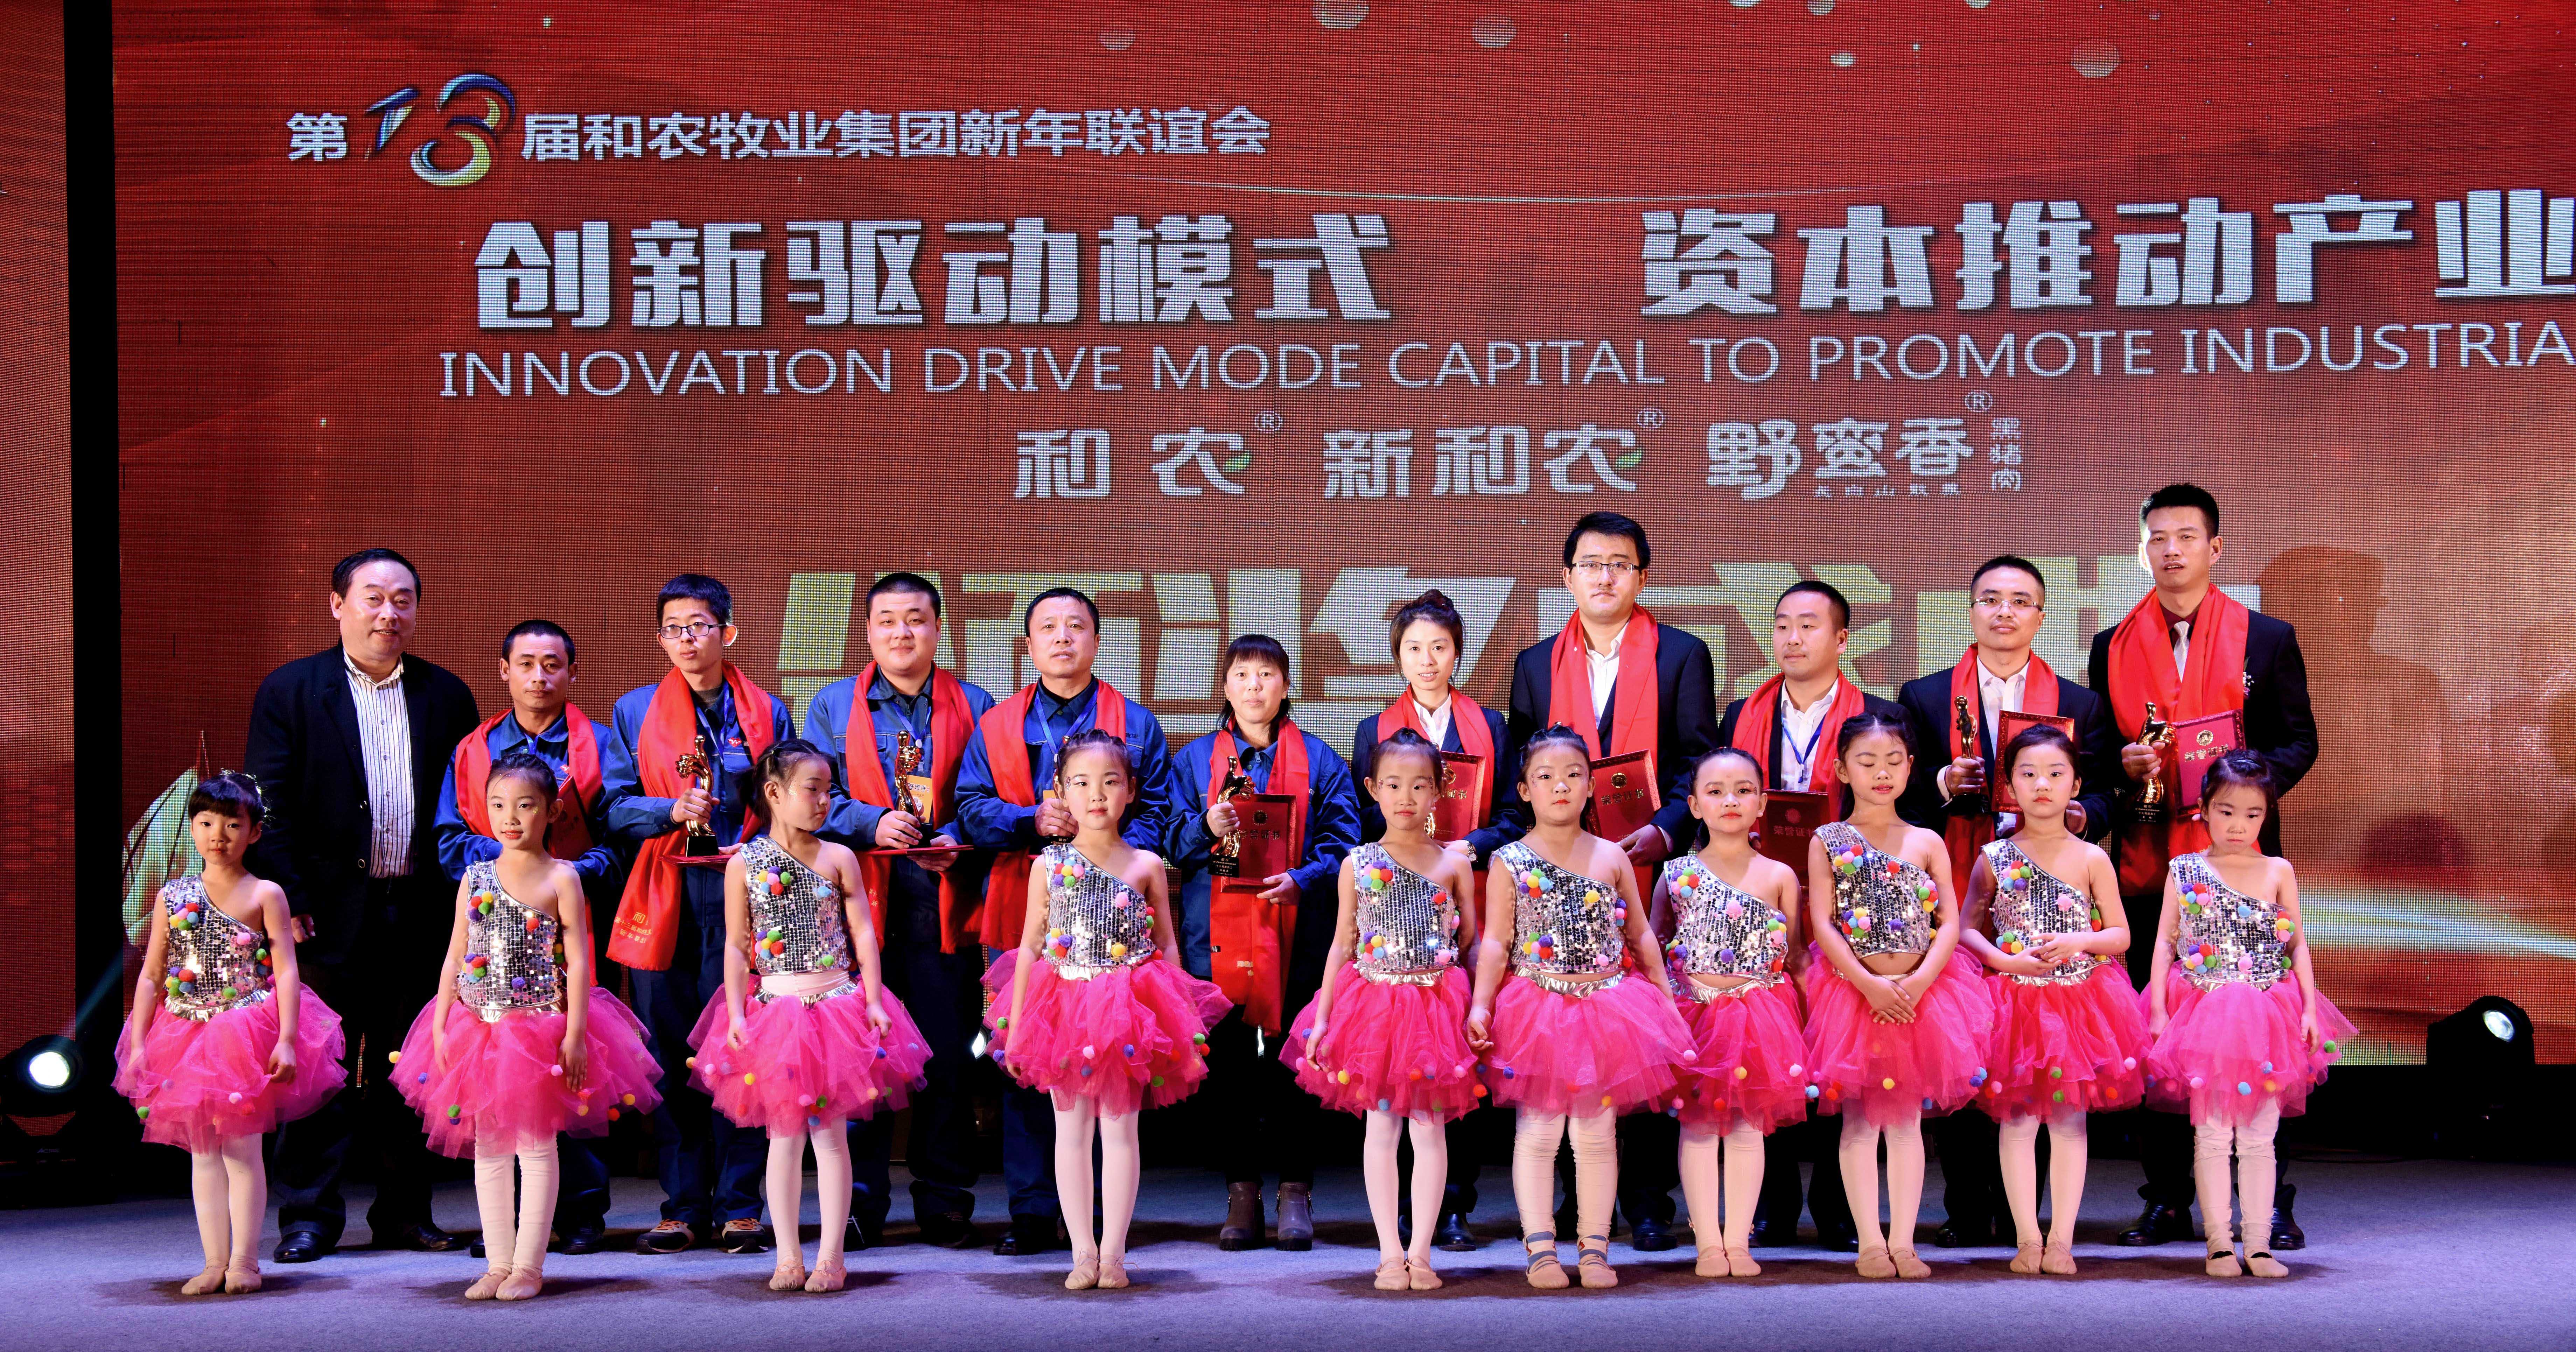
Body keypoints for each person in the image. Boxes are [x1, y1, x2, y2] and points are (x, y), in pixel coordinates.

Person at [2089, 484, 2318, 1249]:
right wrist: (2126, 770)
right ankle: (2166, 1196)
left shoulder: (2266, 638)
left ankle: (2270, 1201)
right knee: (2162, 1033)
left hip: (2241, 868)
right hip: (2151, 864)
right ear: (2143, 550)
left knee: (2258, 1032)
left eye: (2186, 536)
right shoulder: (2111, 644)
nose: (2171, 550)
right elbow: (2099, 758)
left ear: (2214, 548)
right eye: (2157, 538)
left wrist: (2241, 790)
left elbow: (2300, 741)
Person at [247, 548, 482, 1262]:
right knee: (319, 1064)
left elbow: (466, 806)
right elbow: (268, 806)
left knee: (409, 1066)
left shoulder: (447, 695)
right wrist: (292, 897)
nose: (389, 613)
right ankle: (308, 1219)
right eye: (373, 597)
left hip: (419, 909)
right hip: (322, 913)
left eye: (403, 600)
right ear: (337, 605)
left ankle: (405, 1213)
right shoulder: (291, 690)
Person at [1503, 512, 1719, 1254]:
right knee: (1566, 1037)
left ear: (1641, 577)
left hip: (1648, 864)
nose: (1604, 576)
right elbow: (1525, 773)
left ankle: (1648, 1199)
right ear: (1566, 577)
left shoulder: (1682, 655)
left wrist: (1664, 829)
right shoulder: (1535, 664)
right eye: (1590, 564)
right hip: (1558, 880)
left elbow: (1696, 760)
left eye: (1619, 564)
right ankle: (1571, 1200)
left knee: (1644, 1032)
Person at [1894, 556, 2120, 1249]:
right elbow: (1896, 793)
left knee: (2041, 1061)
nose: (2004, 612)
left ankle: (2034, 1216)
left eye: (2020, 601)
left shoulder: (2079, 703)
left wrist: (2079, 814)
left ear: (2041, 617)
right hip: (1957, 882)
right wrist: (1940, 781)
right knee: (1967, 1044)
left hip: (2045, 894)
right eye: (1990, 600)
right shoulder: (1925, 696)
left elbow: (2105, 792)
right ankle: (1967, 1206)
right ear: (1970, 612)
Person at [954, 586, 1179, 1257]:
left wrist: (1104, 847)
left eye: (1075, 627)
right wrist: (1030, 821)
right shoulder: (998, 723)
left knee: (1115, 1069)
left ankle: (1106, 1223)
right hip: (1029, 905)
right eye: (1048, 628)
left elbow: (1161, 808)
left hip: (1118, 924)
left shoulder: (1136, 723)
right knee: (1032, 1062)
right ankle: (1032, 1211)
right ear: (1029, 645)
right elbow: (969, 806)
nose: (1062, 638)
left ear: (1097, 641)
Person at [395, 752, 663, 1301]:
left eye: (525, 805)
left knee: (536, 1146)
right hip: (478, 1026)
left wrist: (575, 1033)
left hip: (539, 1027)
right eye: (497, 805)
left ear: (552, 811)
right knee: (490, 1146)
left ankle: (529, 1266)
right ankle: (498, 1263)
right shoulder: (475, 876)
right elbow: (455, 955)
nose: (510, 817)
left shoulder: (563, 878)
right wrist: (441, 1024)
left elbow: (579, 963)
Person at [985, 730, 1231, 1291]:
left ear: (1131, 790)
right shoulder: (1048, 865)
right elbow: (1030, 948)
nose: (1096, 795)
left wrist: (1182, 1018)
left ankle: (1114, 1253)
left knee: (1121, 1130)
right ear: (1060, 791)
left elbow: (1167, 947)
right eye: (1081, 783)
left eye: (1110, 782)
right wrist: (1018, 1023)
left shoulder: (1146, 864)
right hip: (1062, 1007)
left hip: (1127, 1012)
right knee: (1070, 1130)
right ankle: (1082, 1253)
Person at [688, 741, 931, 1293]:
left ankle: (831, 1258)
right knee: (783, 1139)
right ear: (774, 793)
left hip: (834, 1009)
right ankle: (788, 1257)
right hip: (776, 1012)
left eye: (828, 791)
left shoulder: (839, 857)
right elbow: (737, 946)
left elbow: (862, 933)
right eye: (813, 790)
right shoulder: (744, 863)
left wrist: (873, 999)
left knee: (832, 1139)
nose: (824, 802)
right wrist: (734, 1012)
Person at [802, 573, 995, 1250]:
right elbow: (811, 796)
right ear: (868, 632)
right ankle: (858, 1203)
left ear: (938, 629)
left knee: (947, 1061)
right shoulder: (832, 705)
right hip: (857, 911)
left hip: (944, 902)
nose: (901, 633)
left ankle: (945, 1200)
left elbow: (986, 796)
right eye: (887, 621)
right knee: (861, 1063)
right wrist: (871, 822)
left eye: (915, 619)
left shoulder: (975, 703)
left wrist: (954, 837)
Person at [1466, 726, 1694, 1291]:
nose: (1561, 786)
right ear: (1525, 790)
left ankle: (1595, 1248)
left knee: (1596, 1134)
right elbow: (1496, 941)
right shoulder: (1510, 860)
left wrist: (1666, 999)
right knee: (1539, 1132)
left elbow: (1640, 936)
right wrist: (1481, 1005)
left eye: (1573, 775)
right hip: (1535, 1010)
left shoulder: (1611, 856)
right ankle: (1541, 1249)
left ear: (1592, 786)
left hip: (1606, 1007)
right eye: (1545, 777)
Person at [602, 574, 790, 1255]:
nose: (687, 639)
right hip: (666, 894)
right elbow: (612, 806)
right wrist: (668, 811)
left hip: (744, 897)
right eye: (674, 628)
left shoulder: (766, 711)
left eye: (700, 626)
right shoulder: (634, 711)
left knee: (743, 1048)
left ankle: (741, 1205)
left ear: (727, 631)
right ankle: (682, 1206)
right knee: (670, 1051)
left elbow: (787, 799)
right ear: (660, 638)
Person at [1713, 578, 1903, 1251]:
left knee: (1839, 1053)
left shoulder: (1877, 715)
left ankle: (1837, 1203)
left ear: (1842, 639)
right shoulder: (1742, 713)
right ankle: (1773, 1203)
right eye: (1783, 625)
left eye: (1809, 626)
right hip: (1757, 896)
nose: (1792, 639)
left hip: (1847, 903)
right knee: (1765, 1050)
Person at [431, 619, 622, 1256]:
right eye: (526, 664)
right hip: (493, 930)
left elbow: (620, 836)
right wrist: (516, 865)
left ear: (573, 672)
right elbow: (450, 838)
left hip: (566, 922)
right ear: (504, 670)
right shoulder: (474, 750)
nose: (539, 677)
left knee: (575, 1075)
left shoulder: (600, 745)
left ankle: (581, 1212)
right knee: (497, 1100)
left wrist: (561, 874)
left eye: (552, 665)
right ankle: (505, 1233)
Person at [1167, 634, 1361, 1252]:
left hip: (1297, 933)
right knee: (1230, 1071)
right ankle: (1242, 1193)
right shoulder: (1195, 761)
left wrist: (1303, 877)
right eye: (1242, 675)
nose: (1254, 686)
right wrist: (1204, 826)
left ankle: (1296, 1192)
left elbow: (1345, 841)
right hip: (1214, 939)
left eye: (1267, 674)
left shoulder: (1320, 760)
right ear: (1225, 687)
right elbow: (1167, 840)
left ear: (1286, 686)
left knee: (1293, 1066)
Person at [116, 772, 346, 1295]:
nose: (217, 835)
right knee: (203, 1152)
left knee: (241, 1149)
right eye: (206, 824)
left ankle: (245, 1261)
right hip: (185, 1032)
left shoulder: (266, 893)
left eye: (232, 825)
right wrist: (139, 1043)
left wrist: (287, 1038)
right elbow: (152, 975)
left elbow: (286, 972)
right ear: (192, 828)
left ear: (254, 832)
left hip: (244, 1029)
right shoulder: (173, 896)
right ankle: (213, 1261)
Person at [1347, 588, 1517, 1253]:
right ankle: (1397, 1213)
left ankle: (1453, 1207)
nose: (1427, 660)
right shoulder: (1373, 730)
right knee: (1392, 1074)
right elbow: (1363, 820)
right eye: (1414, 648)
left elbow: (1513, 815)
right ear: (1399, 657)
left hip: (1464, 895)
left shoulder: (1491, 725)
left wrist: (1470, 846)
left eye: (1439, 648)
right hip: (1394, 914)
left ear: (1457, 655)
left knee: (1456, 1059)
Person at [2140, 752, 2353, 1278]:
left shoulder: (2277, 870)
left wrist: (2310, 1008)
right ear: (2204, 809)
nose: (2238, 825)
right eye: (2227, 811)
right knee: (2212, 1135)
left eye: (2253, 814)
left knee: (2260, 1135)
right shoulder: (2185, 869)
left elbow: (2297, 944)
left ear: (2267, 815)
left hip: (2266, 1015)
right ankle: (2218, 1244)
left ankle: (2257, 1245)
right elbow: (2165, 942)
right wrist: (2159, 1009)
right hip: (2204, 1014)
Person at [1286, 729, 1482, 1289]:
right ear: (1373, 789)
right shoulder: (1359, 862)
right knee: (1381, 1127)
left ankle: (1422, 1252)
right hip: (1372, 1006)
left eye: (1420, 785)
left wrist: (1472, 1007)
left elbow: (1468, 941)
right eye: (1393, 785)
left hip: (1435, 1009)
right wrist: (1323, 1020)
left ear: (1439, 791)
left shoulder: (1454, 864)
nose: (1406, 797)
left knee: (1430, 1130)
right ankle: (1390, 1252)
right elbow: (1342, 944)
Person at [1801, 712, 1994, 1279]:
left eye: (1893, 762)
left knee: (1908, 1124)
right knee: (1860, 1123)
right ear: (1842, 770)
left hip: (1921, 998)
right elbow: (1822, 923)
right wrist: (1868, 984)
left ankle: (1904, 1242)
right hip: (1853, 997)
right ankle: (1869, 1242)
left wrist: (1918, 982)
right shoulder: (1828, 840)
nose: (1881, 773)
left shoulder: (1926, 840)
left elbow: (1950, 923)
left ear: (1911, 767)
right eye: (1867, 762)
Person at [1955, 725, 2146, 1275]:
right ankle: (2026, 1238)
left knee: (2068, 1123)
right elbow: (1966, 930)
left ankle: (2061, 1240)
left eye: (2056, 774)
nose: (2042, 785)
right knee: (2016, 1123)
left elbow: (2120, 936)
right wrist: (2005, 960)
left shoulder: (2091, 857)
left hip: (2078, 1003)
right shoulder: (1994, 856)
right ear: (2009, 785)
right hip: (2013, 1004)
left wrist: (2078, 941)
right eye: (2029, 774)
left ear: (2076, 785)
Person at [1650, 747, 1806, 1279]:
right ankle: (1707, 1243)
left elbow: (1796, 955)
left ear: (1762, 803)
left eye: (1743, 790)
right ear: (1695, 805)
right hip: (1693, 1016)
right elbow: (1655, 949)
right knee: (1697, 1128)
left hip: (1760, 1016)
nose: (1730, 801)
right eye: (1715, 792)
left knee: (1746, 1128)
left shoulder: (1780, 875)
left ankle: (1738, 1240)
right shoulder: (1676, 874)